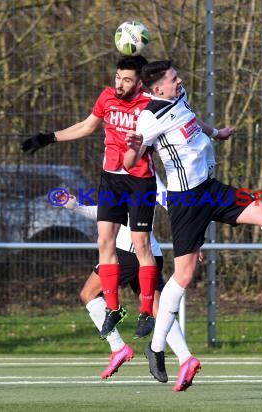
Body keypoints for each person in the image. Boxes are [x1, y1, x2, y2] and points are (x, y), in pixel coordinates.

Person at [124, 60, 262, 390]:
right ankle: (156, 349)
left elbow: (192, 120)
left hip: (211, 189)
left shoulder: (179, 97)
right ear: (158, 88)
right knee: (183, 276)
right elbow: (131, 162)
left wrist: (217, 132)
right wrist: (132, 150)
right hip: (187, 202)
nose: (179, 80)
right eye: (173, 79)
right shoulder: (148, 117)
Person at [21, 55, 158, 340]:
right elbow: (86, 127)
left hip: (140, 181)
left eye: (127, 80)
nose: (120, 84)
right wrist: (49, 138)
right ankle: (114, 308)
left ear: (140, 81)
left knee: (140, 244)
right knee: (104, 242)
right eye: (118, 77)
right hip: (111, 178)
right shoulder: (107, 97)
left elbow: (182, 120)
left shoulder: (151, 103)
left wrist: (212, 133)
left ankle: (146, 312)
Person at [57, 177, 198, 390]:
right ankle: (186, 358)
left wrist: (194, 240)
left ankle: (119, 348)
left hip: (130, 253)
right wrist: (76, 207)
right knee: (158, 308)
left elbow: (171, 203)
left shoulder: (142, 174)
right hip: (147, 253)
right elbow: (109, 214)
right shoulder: (117, 173)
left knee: (89, 294)